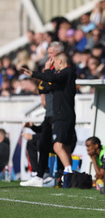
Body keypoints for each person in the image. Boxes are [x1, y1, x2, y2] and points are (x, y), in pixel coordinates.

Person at [21, 52, 77, 188]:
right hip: (64, 116)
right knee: (65, 147)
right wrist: (38, 76)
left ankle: (68, 173)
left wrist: (40, 71)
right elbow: (44, 87)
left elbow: (50, 76)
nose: (53, 65)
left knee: (58, 146)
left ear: (60, 61)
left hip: (62, 116)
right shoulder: (61, 79)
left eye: (54, 62)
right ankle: (68, 176)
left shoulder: (67, 71)